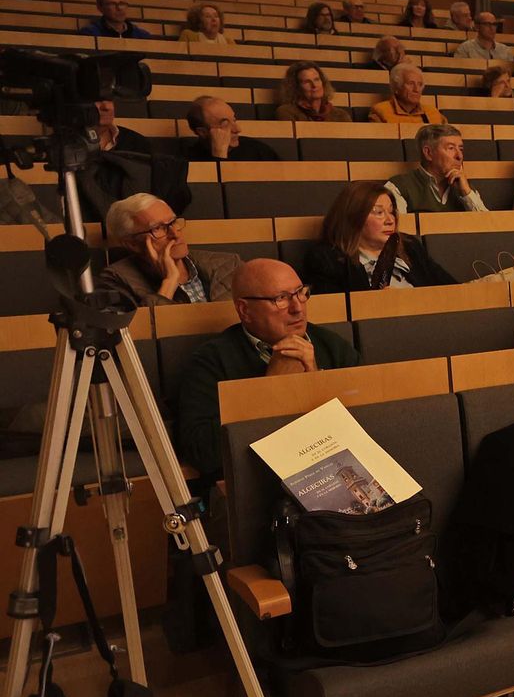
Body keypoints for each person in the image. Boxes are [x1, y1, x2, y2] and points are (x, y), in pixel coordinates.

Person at [176, 259, 358, 479]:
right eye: (281, 299)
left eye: (301, 293)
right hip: (259, 480)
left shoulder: (333, 346)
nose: (297, 307)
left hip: (337, 469)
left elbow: (368, 424)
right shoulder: (210, 361)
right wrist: (268, 388)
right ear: (245, 310)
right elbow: (202, 453)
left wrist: (314, 382)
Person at [303, 182, 457, 293]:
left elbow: (453, 290)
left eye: (391, 211)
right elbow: (333, 315)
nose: (390, 220)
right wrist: (379, 306)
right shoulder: (326, 259)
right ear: (353, 217)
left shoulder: (410, 246)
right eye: (378, 212)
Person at [98, 194, 240, 306]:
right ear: (132, 244)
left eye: (173, 222)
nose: (176, 234)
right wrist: (169, 282)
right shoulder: (116, 279)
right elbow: (144, 334)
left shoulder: (228, 264)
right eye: (158, 228)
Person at [385, 124, 486, 214]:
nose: (459, 156)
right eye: (451, 148)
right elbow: (397, 231)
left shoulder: (465, 187)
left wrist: (466, 193)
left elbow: (489, 228)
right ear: (428, 153)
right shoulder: (398, 187)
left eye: (461, 149)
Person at [182, 96, 279, 162]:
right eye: (225, 124)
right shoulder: (191, 161)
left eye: (234, 120)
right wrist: (219, 154)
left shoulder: (258, 150)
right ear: (202, 132)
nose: (237, 129)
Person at [368, 63, 446, 126]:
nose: (416, 89)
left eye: (420, 84)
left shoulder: (434, 113)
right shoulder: (380, 111)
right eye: (410, 83)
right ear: (396, 87)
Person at [275, 62, 352, 122]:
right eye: (307, 82)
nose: (314, 85)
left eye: (317, 79)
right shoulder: (286, 112)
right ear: (296, 87)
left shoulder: (341, 115)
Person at [80, 0, 154, 38]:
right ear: (100, 8)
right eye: (112, 4)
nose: (119, 8)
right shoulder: (90, 33)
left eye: (122, 4)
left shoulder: (142, 35)